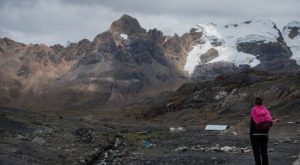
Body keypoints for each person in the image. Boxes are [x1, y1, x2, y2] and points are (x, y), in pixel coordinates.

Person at [250, 97, 278, 165]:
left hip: (255, 135)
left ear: (255, 102)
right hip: (264, 135)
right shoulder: (265, 110)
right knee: (264, 153)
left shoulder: (253, 110)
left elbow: (253, 123)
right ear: (262, 102)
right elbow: (269, 121)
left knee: (257, 153)